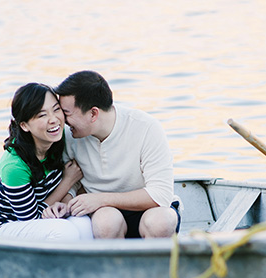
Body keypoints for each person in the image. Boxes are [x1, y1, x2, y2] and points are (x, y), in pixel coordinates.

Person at [55, 71, 180, 239]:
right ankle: (115, 265)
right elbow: (73, 184)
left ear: (93, 114)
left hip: (150, 211)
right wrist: (65, 205)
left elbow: (160, 195)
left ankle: (159, 264)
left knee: (160, 222)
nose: (61, 120)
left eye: (67, 113)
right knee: (106, 221)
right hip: (106, 217)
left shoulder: (146, 127)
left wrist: (100, 199)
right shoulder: (69, 135)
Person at [0, 83, 93, 241]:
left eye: (56, 109)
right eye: (42, 115)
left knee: (83, 223)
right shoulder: (14, 166)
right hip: (6, 226)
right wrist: (67, 181)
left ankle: (81, 266)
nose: (54, 120)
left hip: (45, 215)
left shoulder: (58, 140)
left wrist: (61, 205)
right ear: (24, 125)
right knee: (65, 231)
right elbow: (30, 218)